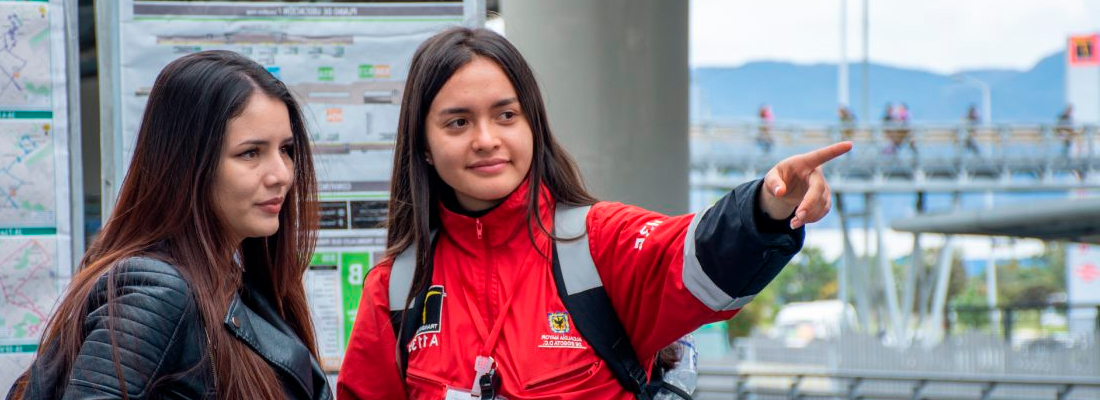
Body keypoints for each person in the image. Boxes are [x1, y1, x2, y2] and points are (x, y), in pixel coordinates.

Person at [336, 27, 850, 400]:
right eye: (457, 123)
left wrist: (767, 206)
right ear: (423, 146)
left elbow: (694, 253)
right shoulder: (396, 288)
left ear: (533, 126)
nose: (487, 139)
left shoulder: (599, 244)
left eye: (506, 115)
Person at [8, 51, 332, 400]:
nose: (281, 175)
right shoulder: (157, 292)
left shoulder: (234, 283)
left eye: (286, 150)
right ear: (188, 164)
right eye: (250, 153)